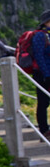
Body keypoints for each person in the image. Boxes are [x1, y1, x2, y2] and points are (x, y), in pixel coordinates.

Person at [32, 10, 50, 138]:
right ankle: (44, 130)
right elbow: (39, 56)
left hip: (46, 73)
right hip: (42, 74)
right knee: (43, 102)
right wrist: (46, 74)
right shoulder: (39, 36)